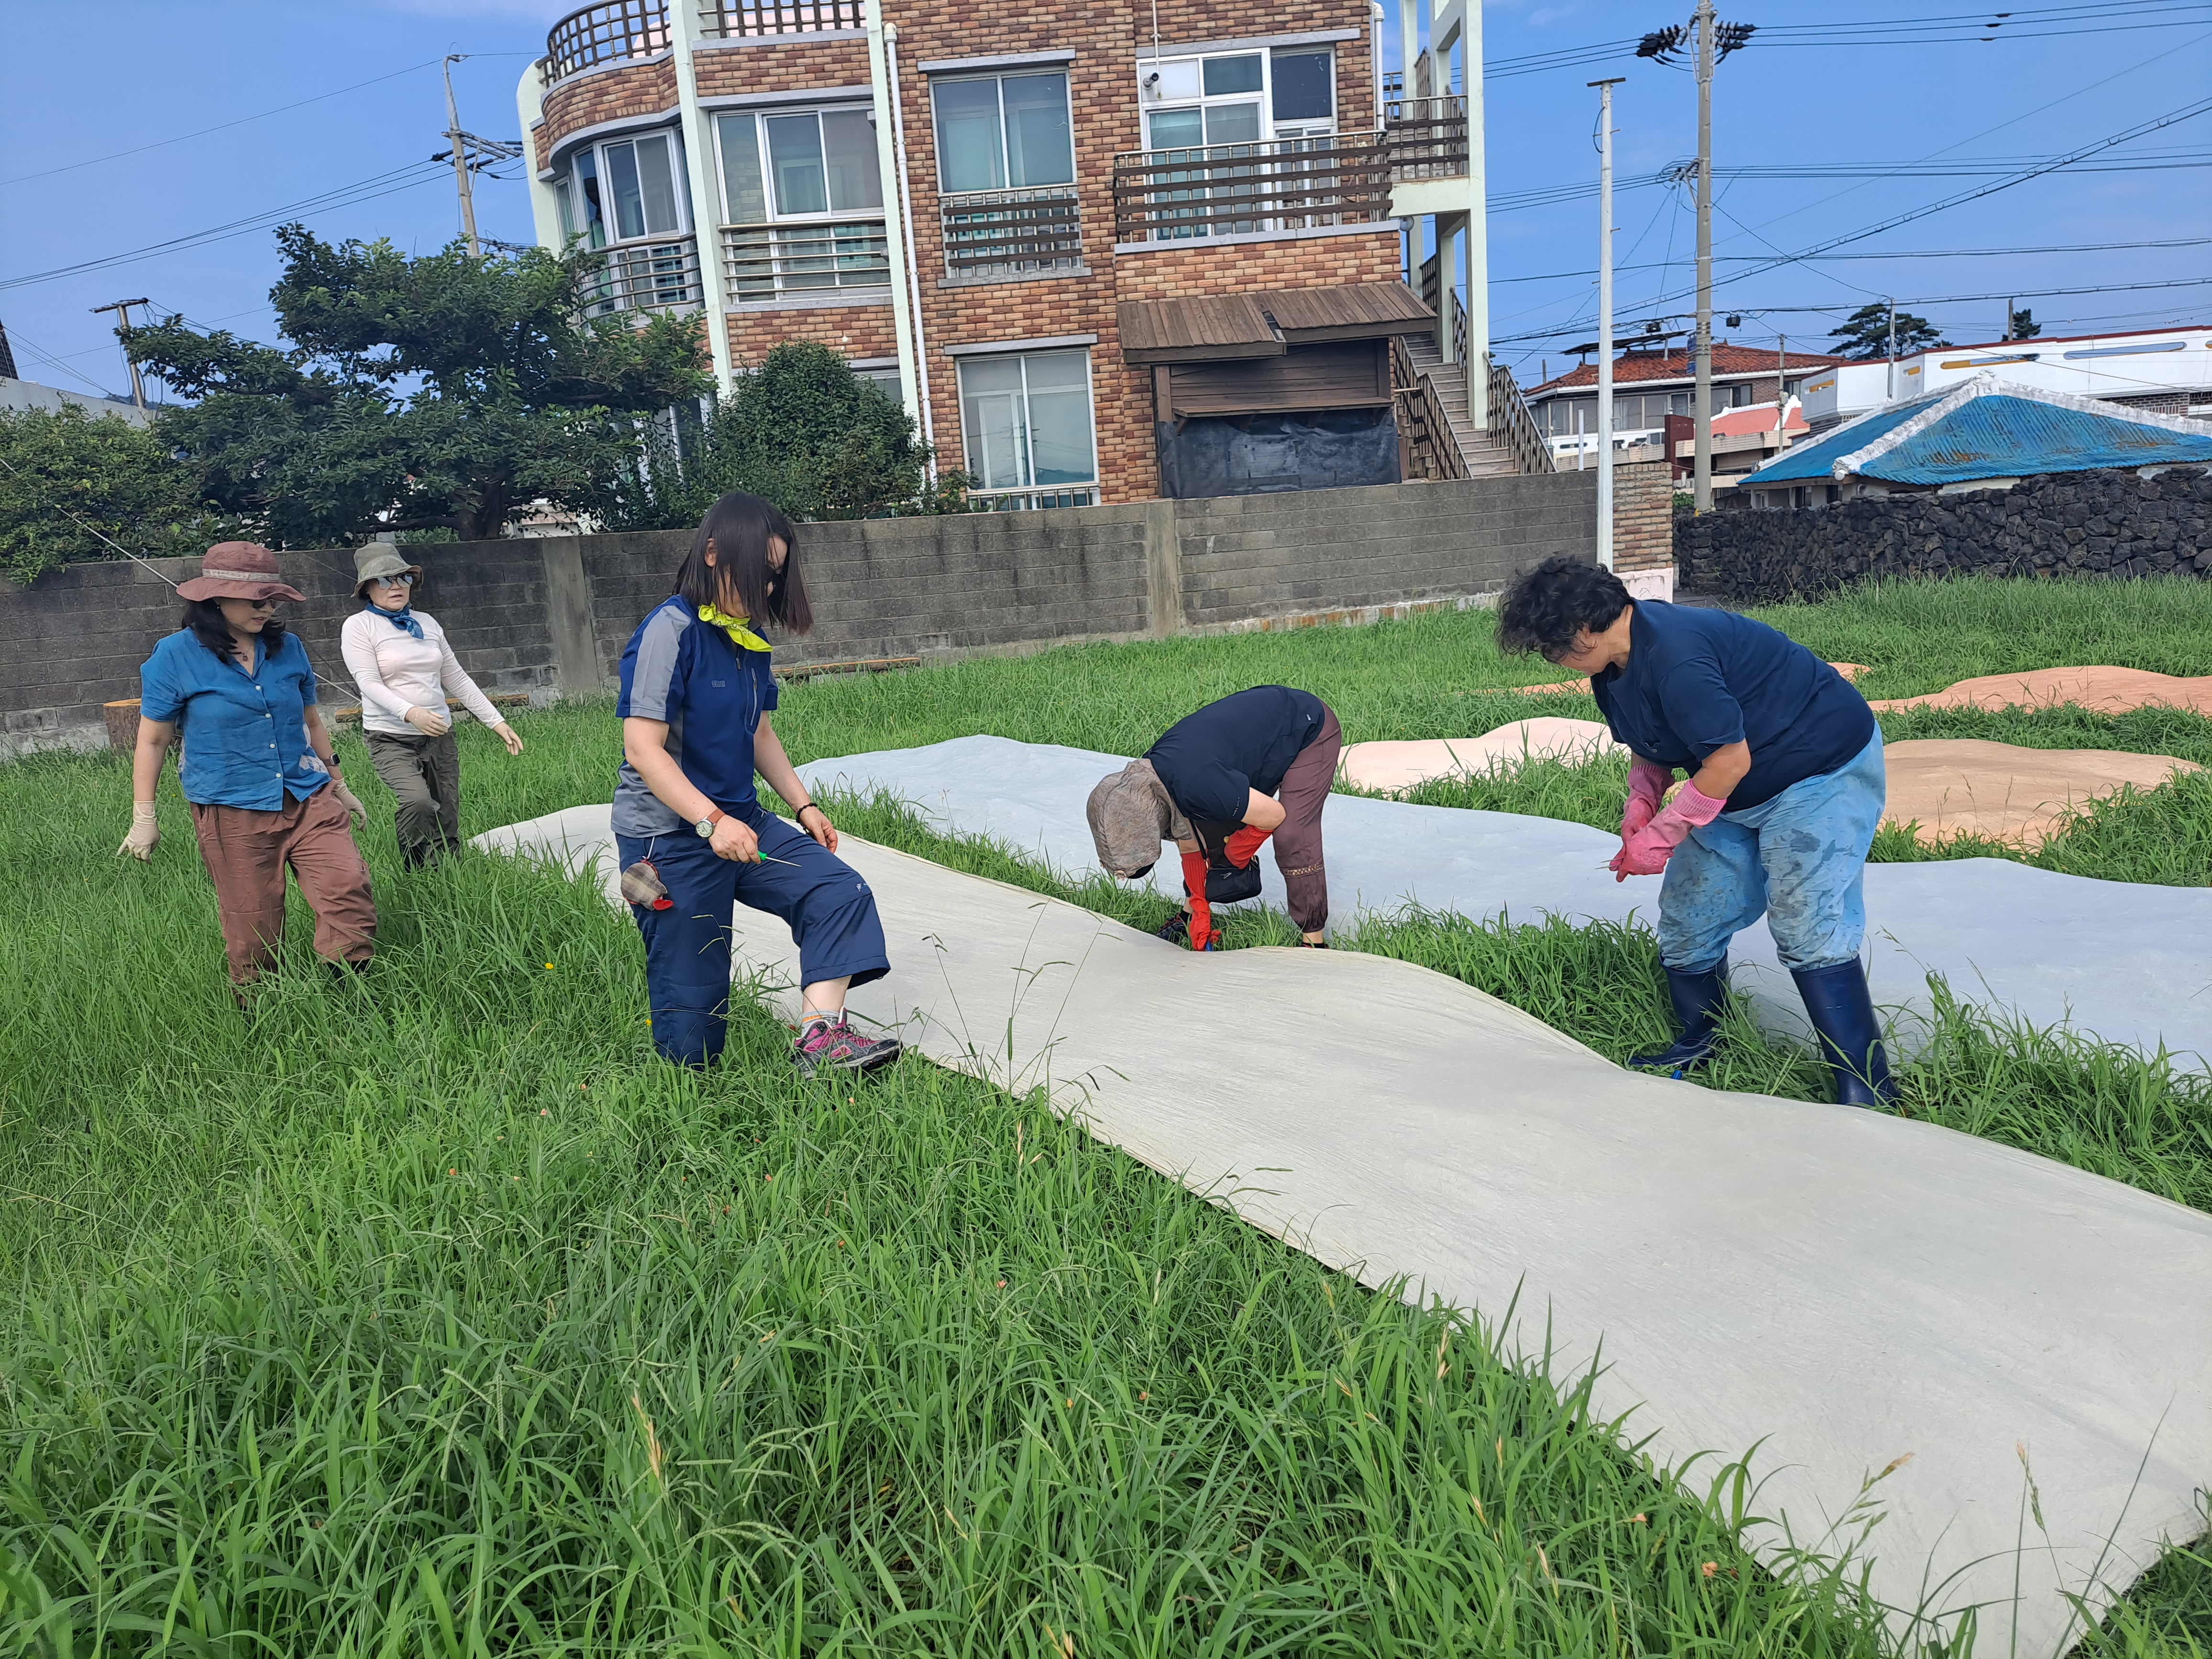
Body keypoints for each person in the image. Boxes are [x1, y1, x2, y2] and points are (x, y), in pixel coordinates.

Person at [1495, 556, 1894, 1106]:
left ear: (1585, 630)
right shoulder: (1613, 664)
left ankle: (1866, 1085)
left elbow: (1729, 761)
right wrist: (1642, 799)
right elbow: (1649, 739)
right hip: (1731, 786)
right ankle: (1701, 1040)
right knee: (1689, 913)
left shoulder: (1679, 658)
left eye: (1551, 646)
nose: (1550, 659)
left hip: (1817, 770)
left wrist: (1663, 834)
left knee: (1806, 920)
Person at [613, 491, 900, 1077]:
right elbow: (642, 749)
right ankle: (685, 1104)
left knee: (836, 892)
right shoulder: (669, 631)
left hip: (744, 822)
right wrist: (710, 822)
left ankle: (820, 1040)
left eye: (774, 577)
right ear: (714, 554)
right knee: (693, 1025)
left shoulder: (748, 640)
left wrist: (804, 805)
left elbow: (760, 734)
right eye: (757, 573)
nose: (765, 590)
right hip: (670, 839)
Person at [119, 542, 378, 987]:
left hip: (306, 794)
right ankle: (258, 1010)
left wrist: (338, 783)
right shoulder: (174, 655)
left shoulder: (289, 647)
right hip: (231, 807)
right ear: (216, 597)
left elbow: (310, 721)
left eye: (273, 598)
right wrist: (145, 818)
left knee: (347, 886)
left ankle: (352, 997)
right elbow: (154, 739)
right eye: (257, 600)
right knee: (254, 921)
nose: (268, 608)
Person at [1087, 686, 1342, 952]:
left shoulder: (1198, 784)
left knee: (1293, 835)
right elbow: (1189, 841)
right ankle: (1187, 916)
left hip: (1307, 726)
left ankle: (1313, 941)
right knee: (1209, 827)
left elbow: (1274, 815)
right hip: (1259, 736)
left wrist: (1234, 857)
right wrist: (1198, 909)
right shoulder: (1148, 785)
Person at [341, 545, 525, 867]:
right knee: (418, 802)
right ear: (367, 589)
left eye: (403, 577)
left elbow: (456, 677)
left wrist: (496, 722)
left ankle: (451, 874)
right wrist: (411, 713)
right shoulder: (358, 627)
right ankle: (416, 870)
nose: (396, 585)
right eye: (384, 580)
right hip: (390, 737)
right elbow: (368, 684)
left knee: (448, 809)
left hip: (440, 734)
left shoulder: (427, 623)